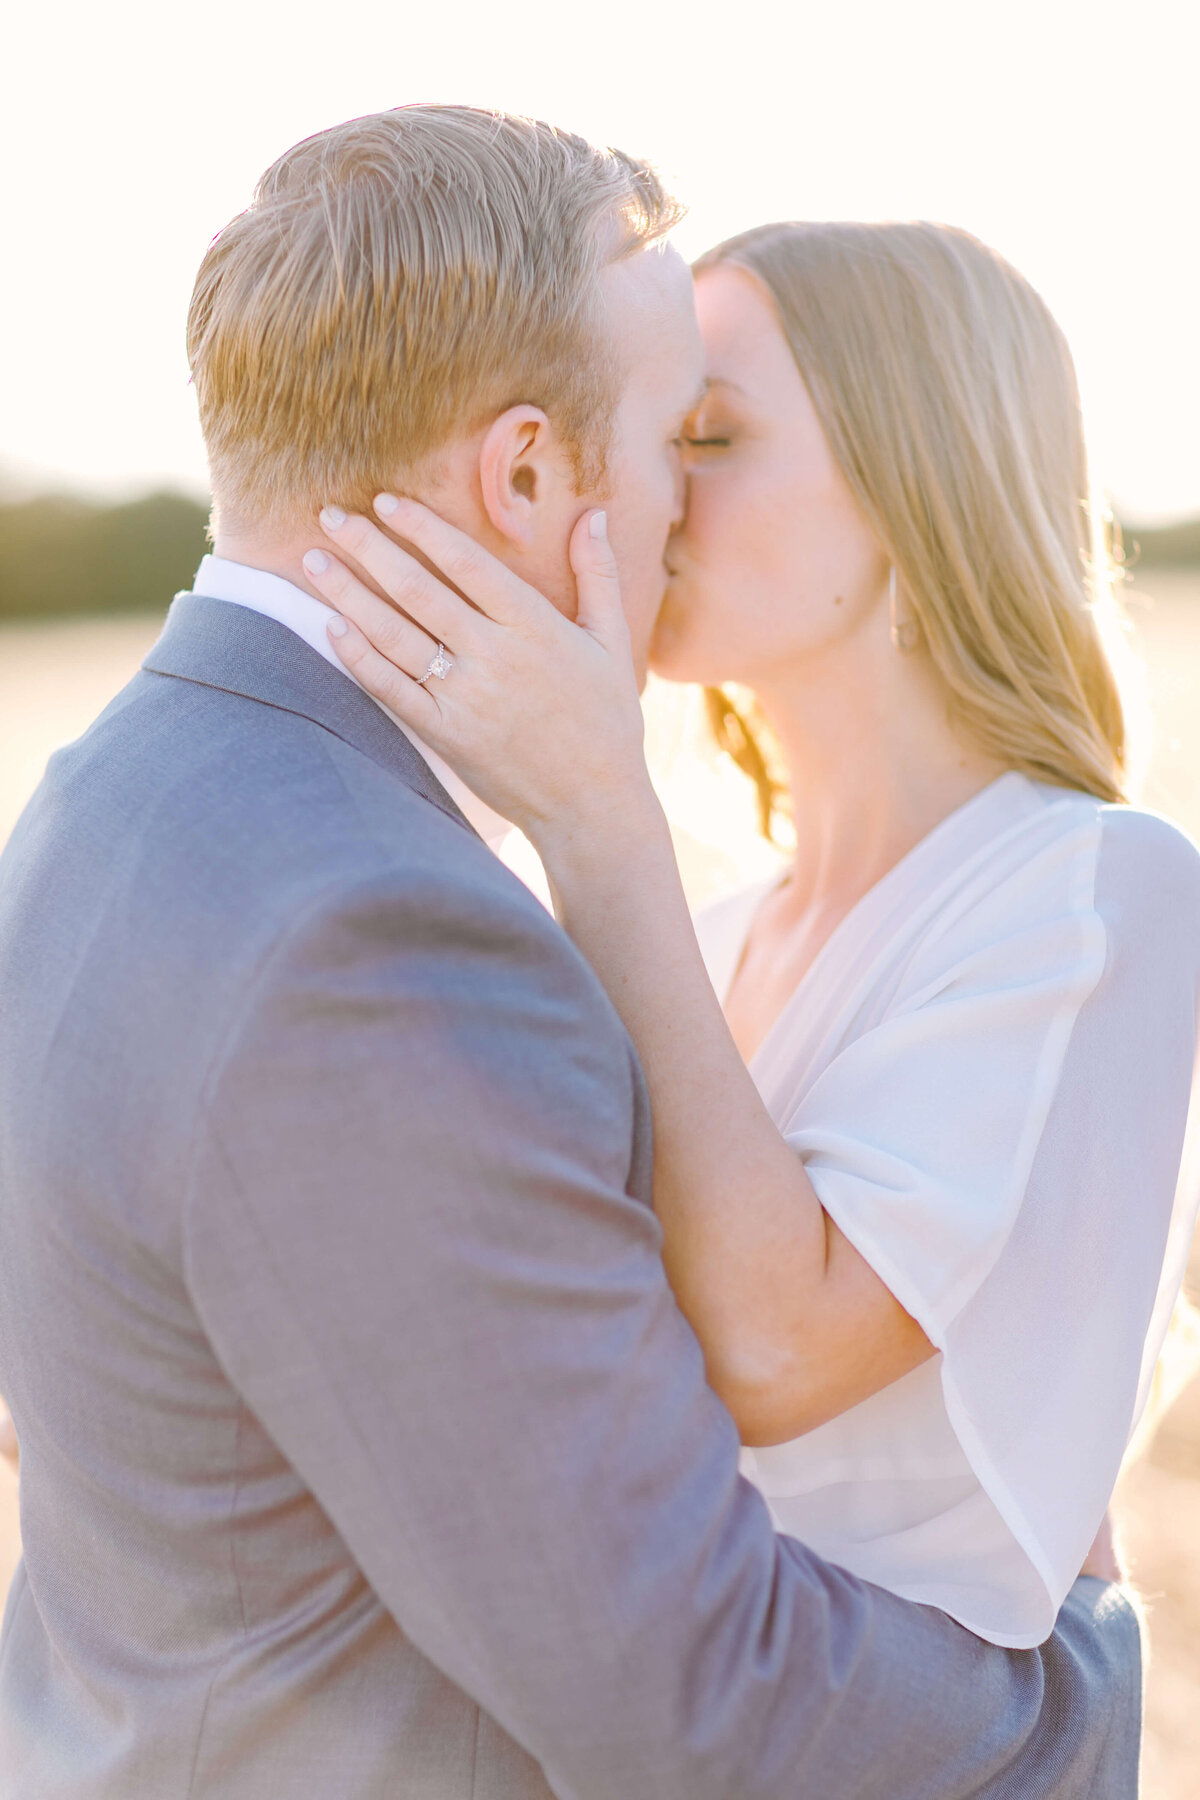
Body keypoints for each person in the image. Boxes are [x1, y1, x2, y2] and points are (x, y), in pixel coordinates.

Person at [0, 109, 1140, 1800]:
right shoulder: (374, 930)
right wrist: (1085, 1699)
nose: (681, 498)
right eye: (678, 431)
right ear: (528, 474)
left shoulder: (99, 808)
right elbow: (680, 1695)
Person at [310, 214, 1200, 1656]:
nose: (633, 488)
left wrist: (596, 820)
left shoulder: (1099, 891)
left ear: (923, 476)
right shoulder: (708, 942)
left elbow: (779, 1350)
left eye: (706, 437)